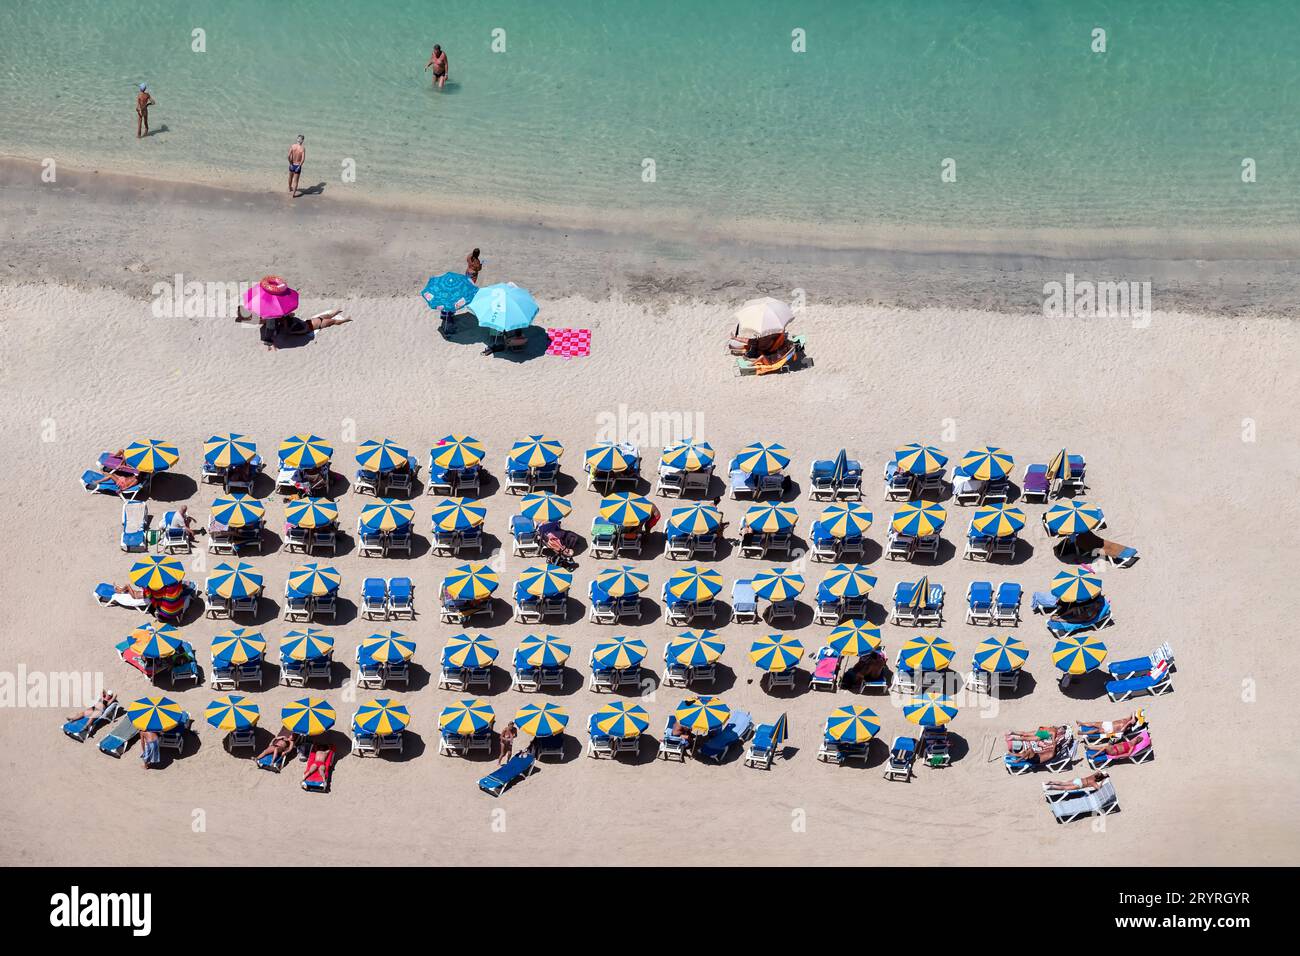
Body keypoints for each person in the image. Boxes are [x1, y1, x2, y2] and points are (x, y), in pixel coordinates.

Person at [236, 306, 352, 351]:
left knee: (328, 319)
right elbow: (291, 319)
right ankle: (341, 315)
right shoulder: (286, 323)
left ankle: (340, 314)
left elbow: (291, 317)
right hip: (307, 325)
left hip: (307, 325)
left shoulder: (284, 321)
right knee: (328, 320)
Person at [1043, 770, 1108, 792]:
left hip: (1078, 779)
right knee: (1064, 788)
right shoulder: (1093, 783)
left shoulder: (1093, 775)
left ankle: (1050, 782)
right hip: (1079, 784)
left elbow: (1099, 771)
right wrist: (1102, 781)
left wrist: (1103, 775)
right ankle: (1050, 787)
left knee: (1063, 783)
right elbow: (1099, 788)